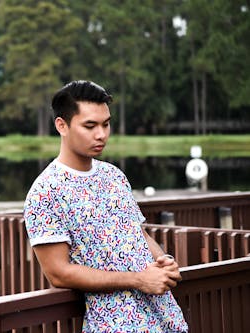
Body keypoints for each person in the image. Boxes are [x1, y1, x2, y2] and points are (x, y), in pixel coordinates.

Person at [23, 80, 188, 332]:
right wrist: (137, 280)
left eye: (106, 124)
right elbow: (58, 273)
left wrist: (162, 260)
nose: (101, 134)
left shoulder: (114, 175)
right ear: (62, 125)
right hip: (115, 324)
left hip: (165, 316)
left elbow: (137, 233)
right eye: (90, 126)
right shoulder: (46, 191)